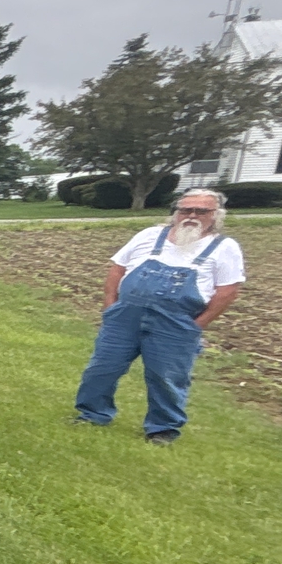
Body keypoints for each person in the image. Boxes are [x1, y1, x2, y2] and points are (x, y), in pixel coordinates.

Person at [73, 189, 244, 444]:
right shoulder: (150, 236)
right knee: (101, 369)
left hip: (175, 324)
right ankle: (93, 413)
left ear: (216, 215)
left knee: (166, 377)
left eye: (201, 211)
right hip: (124, 318)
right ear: (176, 212)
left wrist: (196, 325)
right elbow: (117, 270)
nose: (192, 216)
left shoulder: (224, 247)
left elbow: (228, 292)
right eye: (185, 210)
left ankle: (162, 429)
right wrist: (110, 308)